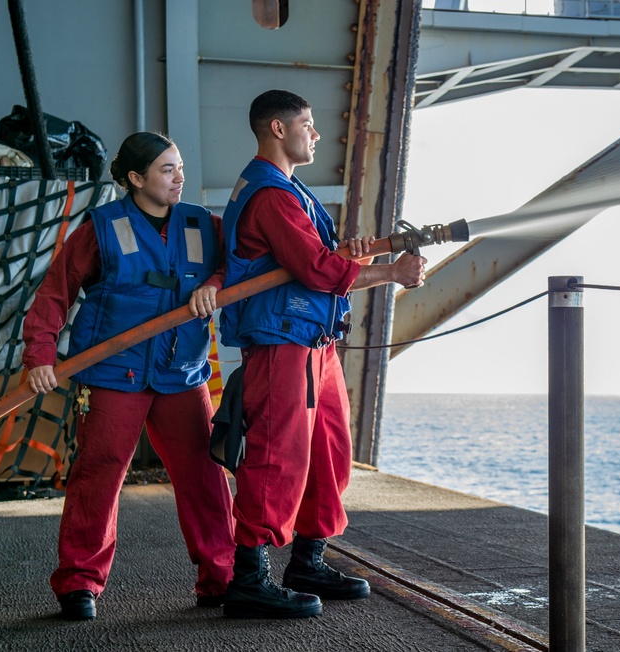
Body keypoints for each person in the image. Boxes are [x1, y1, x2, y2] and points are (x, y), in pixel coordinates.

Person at [217, 89, 426, 619]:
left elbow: (317, 259)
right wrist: (393, 274)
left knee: (331, 450)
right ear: (277, 130)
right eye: (307, 125)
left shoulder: (290, 190)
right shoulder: (272, 196)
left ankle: (308, 559)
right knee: (275, 454)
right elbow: (316, 271)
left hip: (314, 344)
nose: (315, 133)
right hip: (282, 344)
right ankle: (250, 578)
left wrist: (358, 253)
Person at [22, 132, 236, 621]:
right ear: (136, 179)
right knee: (98, 475)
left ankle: (220, 578)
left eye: (180, 166)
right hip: (113, 374)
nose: (180, 177)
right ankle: (79, 584)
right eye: (167, 169)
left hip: (181, 374)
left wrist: (215, 284)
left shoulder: (206, 226)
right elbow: (55, 293)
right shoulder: (101, 227)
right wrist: (39, 356)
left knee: (204, 475)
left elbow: (241, 266)